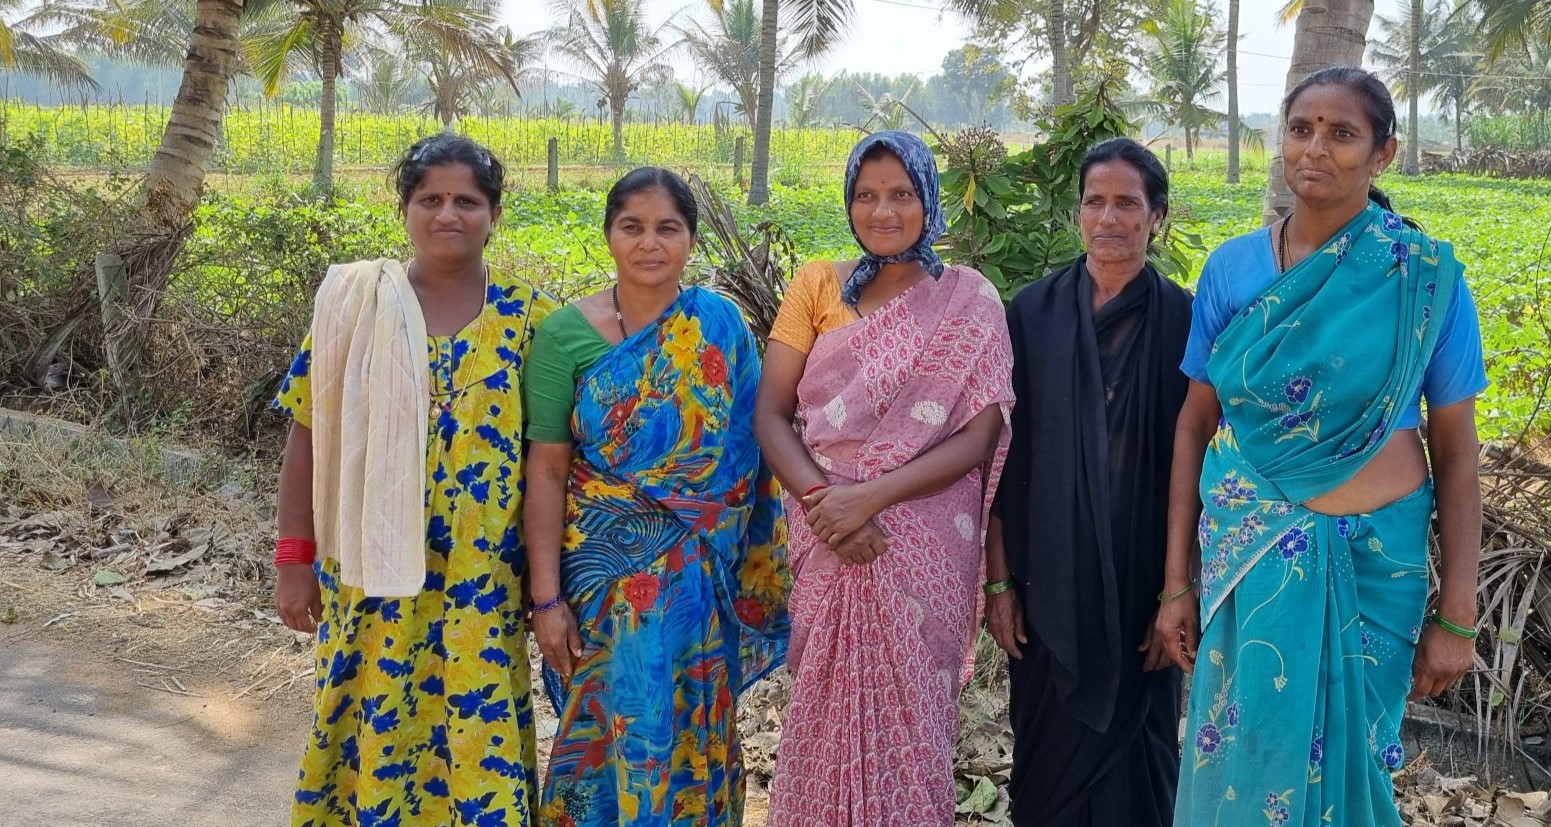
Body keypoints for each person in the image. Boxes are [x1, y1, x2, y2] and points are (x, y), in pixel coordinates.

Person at [1151, 66, 1488, 827]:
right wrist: (1177, 581)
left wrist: (1458, 613)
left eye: (1343, 134)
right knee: (1244, 760)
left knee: (1355, 770)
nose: (1317, 149)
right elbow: (1192, 424)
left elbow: (1458, 452)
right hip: (1251, 553)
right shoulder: (1232, 269)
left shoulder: (1423, 279)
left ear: (1383, 153)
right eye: (1302, 129)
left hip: (1379, 563)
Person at [271, 134, 556, 827]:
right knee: (375, 726)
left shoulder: (531, 319)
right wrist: (293, 561)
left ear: (495, 213)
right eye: (430, 198)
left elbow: (552, 462)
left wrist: (550, 589)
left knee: (475, 739)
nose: (447, 213)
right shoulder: (358, 305)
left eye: (467, 200)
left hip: (481, 580)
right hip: (369, 576)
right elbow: (309, 436)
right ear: (405, 208)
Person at [756, 130, 1016, 827]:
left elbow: (982, 432)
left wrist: (870, 497)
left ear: (928, 199)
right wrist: (825, 503)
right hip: (825, 533)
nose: (883, 210)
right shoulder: (816, 283)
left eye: (901, 193)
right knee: (820, 704)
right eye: (866, 194)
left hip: (921, 542)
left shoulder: (968, 300)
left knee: (914, 726)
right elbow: (772, 414)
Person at [520, 167, 791, 827]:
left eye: (667, 227)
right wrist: (547, 597)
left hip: (700, 580)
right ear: (609, 236)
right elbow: (548, 470)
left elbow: (751, 454)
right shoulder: (564, 335)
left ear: (690, 241)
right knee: (602, 731)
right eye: (632, 227)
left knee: (692, 729)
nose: (649, 243)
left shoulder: (719, 324)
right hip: (600, 582)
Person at [985, 137, 1191, 827]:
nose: (1109, 218)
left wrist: (1177, 590)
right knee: (1048, 777)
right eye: (1094, 201)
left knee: (1144, 768)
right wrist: (1000, 584)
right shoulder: (1032, 314)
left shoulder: (1184, 322)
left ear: (1156, 217)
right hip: (1050, 588)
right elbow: (1003, 464)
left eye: (1127, 203)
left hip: (1146, 594)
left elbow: (1194, 468)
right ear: (1076, 212)